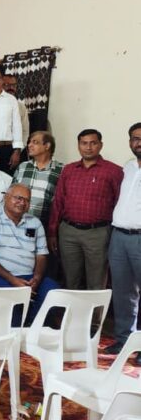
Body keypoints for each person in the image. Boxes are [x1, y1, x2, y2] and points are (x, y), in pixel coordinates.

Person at [49, 129, 123, 291]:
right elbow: (58, 201)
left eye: (93, 143)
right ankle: (72, 307)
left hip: (98, 234)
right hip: (68, 232)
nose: (88, 147)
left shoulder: (114, 171)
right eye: (84, 143)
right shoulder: (69, 170)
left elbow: (119, 203)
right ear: (78, 145)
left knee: (97, 282)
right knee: (70, 280)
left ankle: (96, 309)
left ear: (100, 145)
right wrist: (53, 232)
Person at [0, 183, 58, 325]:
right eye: (18, 198)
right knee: (13, 301)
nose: (22, 203)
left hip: (29, 276)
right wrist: (13, 280)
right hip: (0, 275)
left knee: (53, 291)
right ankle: (15, 330)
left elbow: (41, 255)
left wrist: (37, 278)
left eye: (27, 200)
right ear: (6, 197)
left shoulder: (35, 223)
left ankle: (31, 328)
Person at [105, 122, 141, 357]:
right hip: (119, 236)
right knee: (122, 292)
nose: (139, 143)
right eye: (135, 138)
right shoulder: (127, 167)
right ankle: (124, 341)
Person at [12, 130, 63, 229]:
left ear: (47, 146)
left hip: (45, 226)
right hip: (18, 224)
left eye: (35, 142)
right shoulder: (23, 167)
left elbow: (61, 202)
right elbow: (11, 194)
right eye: (29, 142)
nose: (29, 145)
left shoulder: (61, 170)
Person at [2, 74, 30, 148]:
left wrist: (20, 148)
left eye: (13, 85)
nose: (11, 88)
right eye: (7, 85)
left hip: (15, 147)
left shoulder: (21, 107)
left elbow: (25, 131)